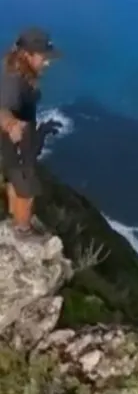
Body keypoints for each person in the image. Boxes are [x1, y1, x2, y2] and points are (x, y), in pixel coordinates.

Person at [0, 27, 62, 240]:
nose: (47, 62)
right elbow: (3, 107)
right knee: (26, 186)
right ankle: (23, 230)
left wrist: (39, 131)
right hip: (14, 136)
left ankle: (14, 219)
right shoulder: (14, 78)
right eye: (43, 57)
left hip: (18, 136)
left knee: (15, 178)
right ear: (27, 54)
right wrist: (12, 126)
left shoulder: (13, 68)